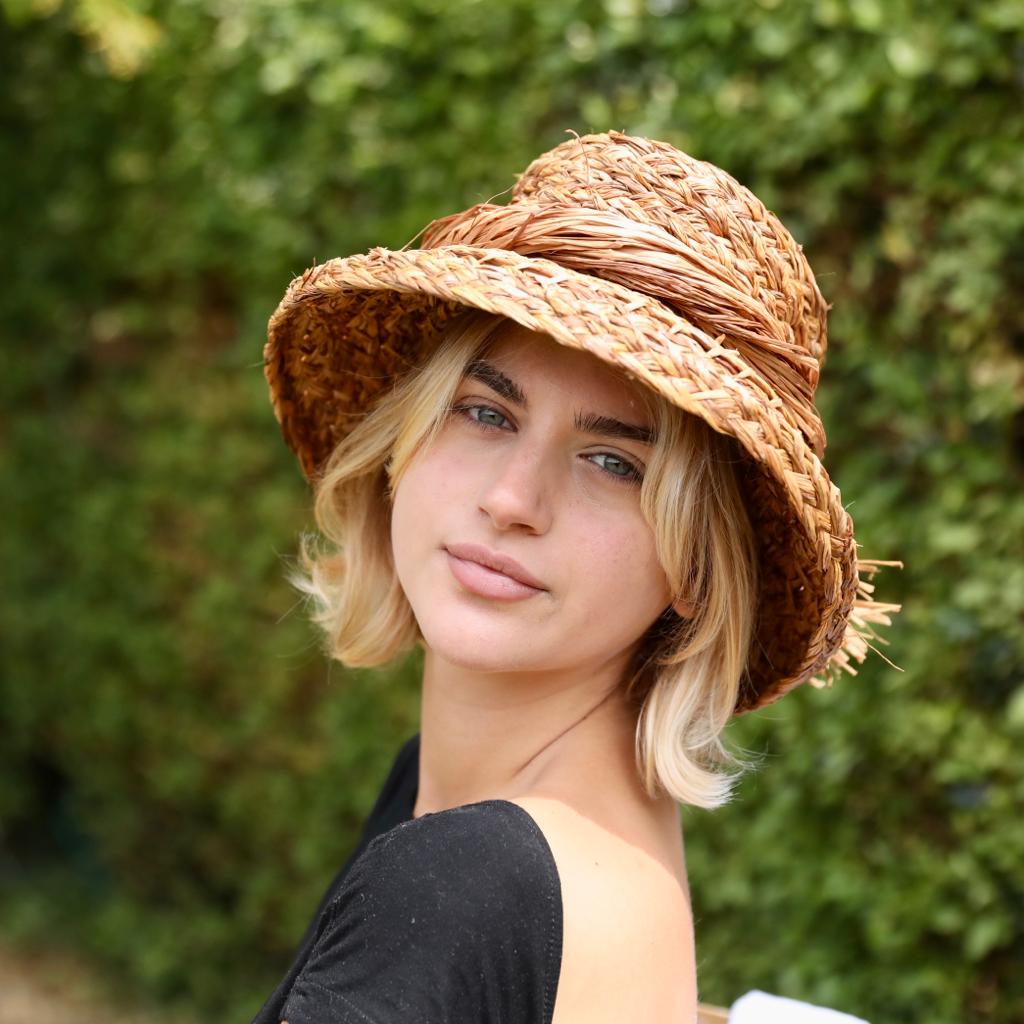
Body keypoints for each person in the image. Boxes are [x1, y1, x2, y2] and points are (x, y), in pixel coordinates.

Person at [252, 131, 900, 1024]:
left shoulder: (467, 886)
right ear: (399, 448)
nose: (514, 498)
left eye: (613, 463)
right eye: (485, 412)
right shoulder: (507, 826)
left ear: (697, 571)